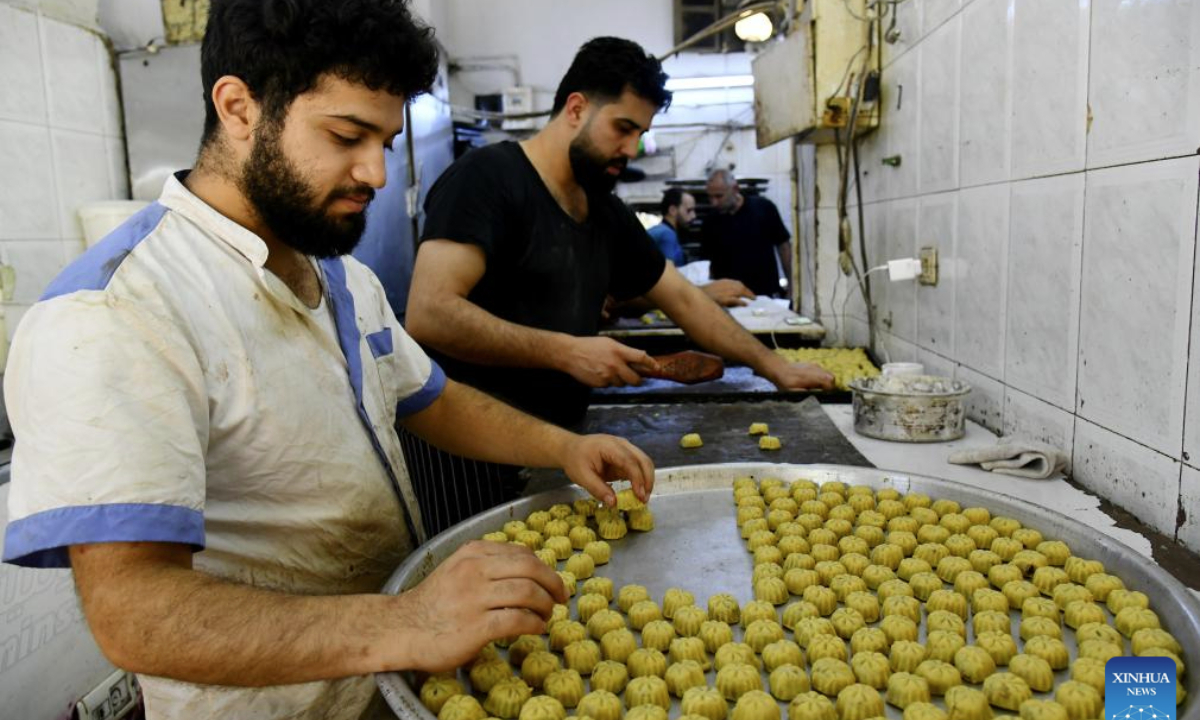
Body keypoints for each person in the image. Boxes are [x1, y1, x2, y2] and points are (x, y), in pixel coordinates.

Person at [1, 3, 654, 718]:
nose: (375, 172)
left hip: (391, 681)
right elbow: (135, 615)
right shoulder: (116, 313)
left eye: (387, 141)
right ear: (239, 107)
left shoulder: (342, 275)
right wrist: (409, 621)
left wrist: (564, 447)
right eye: (348, 135)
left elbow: (429, 398)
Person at [404, 36, 835, 535]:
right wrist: (566, 351)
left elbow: (685, 301)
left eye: (641, 134)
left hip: (556, 448)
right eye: (623, 128)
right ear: (576, 108)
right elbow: (429, 312)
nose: (631, 150)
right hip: (467, 452)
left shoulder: (604, 212)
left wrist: (774, 367)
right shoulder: (488, 180)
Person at [647, 187, 754, 307]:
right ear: (672, 210)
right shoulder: (667, 235)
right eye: (689, 211)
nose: (693, 216)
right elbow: (668, 277)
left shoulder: (662, 232)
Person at [701, 168, 792, 297]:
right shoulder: (710, 222)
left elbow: (783, 246)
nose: (714, 203)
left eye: (719, 196)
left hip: (765, 294)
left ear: (735, 189)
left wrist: (792, 285)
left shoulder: (763, 208)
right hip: (730, 297)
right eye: (710, 197)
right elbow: (706, 265)